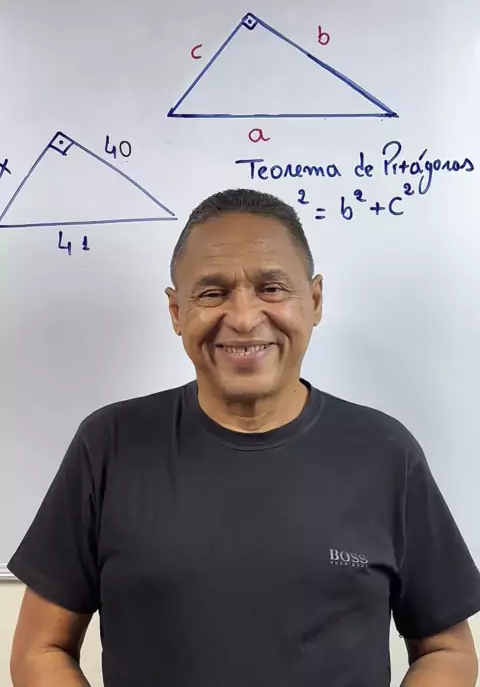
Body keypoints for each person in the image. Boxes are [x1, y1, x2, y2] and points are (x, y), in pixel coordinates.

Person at [8, 188, 480, 687]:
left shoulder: (385, 452)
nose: (243, 317)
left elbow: (447, 651)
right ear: (176, 311)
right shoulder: (108, 446)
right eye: (212, 293)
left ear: (314, 301)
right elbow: (40, 649)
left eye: (271, 288)